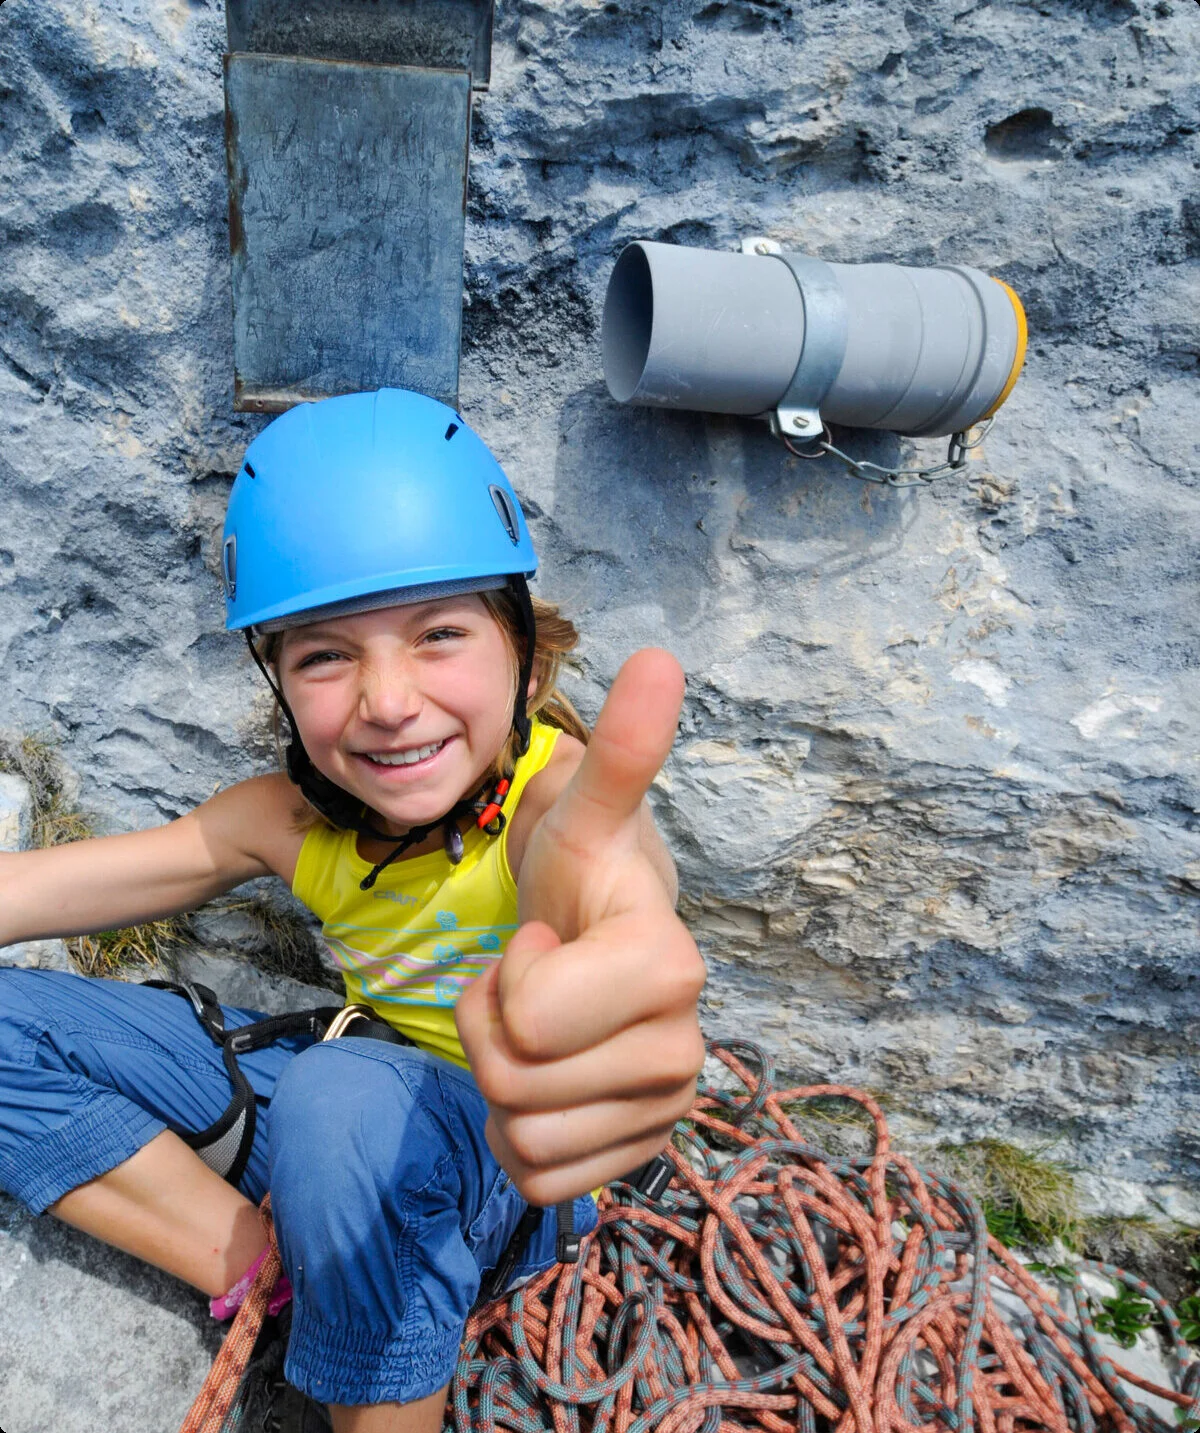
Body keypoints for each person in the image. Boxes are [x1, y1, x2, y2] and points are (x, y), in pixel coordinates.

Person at [0, 389, 706, 1432]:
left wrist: (625, 934)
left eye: (440, 634)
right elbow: (51, 887)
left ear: (528, 655)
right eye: (326, 653)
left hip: (487, 1154)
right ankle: (278, 1273)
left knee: (344, 1096)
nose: (385, 699)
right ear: (282, 683)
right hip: (336, 1107)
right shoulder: (287, 818)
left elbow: (607, 876)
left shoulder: (552, 806)